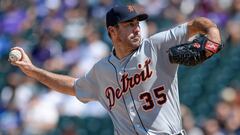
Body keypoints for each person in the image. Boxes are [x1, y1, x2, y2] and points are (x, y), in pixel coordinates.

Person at [10, 5, 222, 135]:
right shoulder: (101, 71)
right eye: (129, 24)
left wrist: (213, 41)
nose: (136, 28)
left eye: (137, 23)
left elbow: (199, 23)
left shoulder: (156, 45)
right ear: (113, 31)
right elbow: (72, 86)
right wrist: (32, 70)